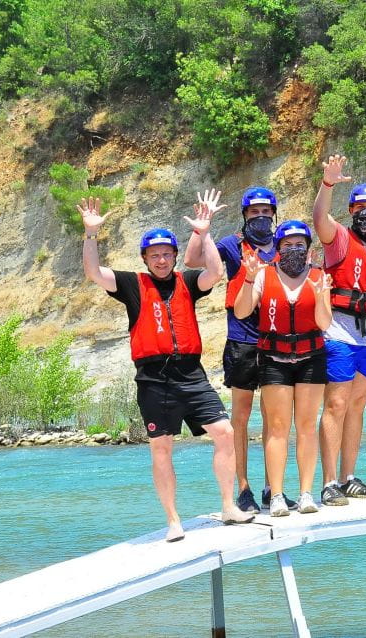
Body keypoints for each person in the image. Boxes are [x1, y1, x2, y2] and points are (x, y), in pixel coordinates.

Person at [79, 196, 253, 542]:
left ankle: (228, 506)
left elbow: (216, 273)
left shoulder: (186, 282)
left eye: (167, 254)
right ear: (145, 259)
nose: (161, 259)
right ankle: (174, 520)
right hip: (153, 379)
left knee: (224, 432)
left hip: (191, 374)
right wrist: (91, 234)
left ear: (174, 256)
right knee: (161, 447)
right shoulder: (132, 285)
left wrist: (204, 234)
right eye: (154, 255)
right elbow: (93, 272)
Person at [183, 187, 291, 513]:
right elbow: (192, 261)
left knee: (274, 417)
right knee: (241, 417)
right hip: (242, 341)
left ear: (274, 214)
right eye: (254, 212)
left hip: (276, 341)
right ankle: (243, 488)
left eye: (266, 212)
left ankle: (273, 488)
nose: (261, 217)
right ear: (245, 215)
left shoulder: (284, 246)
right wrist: (202, 228)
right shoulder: (232, 245)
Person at [233, 220, 333, 516]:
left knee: (306, 426)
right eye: (287, 245)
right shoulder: (264, 275)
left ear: (308, 249)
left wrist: (319, 295)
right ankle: (276, 494)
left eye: (299, 244)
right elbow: (241, 311)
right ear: (278, 249)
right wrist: (249, 279)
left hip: (311, 358)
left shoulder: (318, 277)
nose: (294, 249)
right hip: (274, 359)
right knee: (277, 427)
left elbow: (325, 323)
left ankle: (306, 493)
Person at [310, 155, 366, 506]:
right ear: (352, 210)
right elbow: (319, 219)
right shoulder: (339, 238)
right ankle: (329, 482)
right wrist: (328, 183)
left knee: (357, 405)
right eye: (360, 208)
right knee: (337, 403)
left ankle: (349, 476)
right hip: (340, 330)